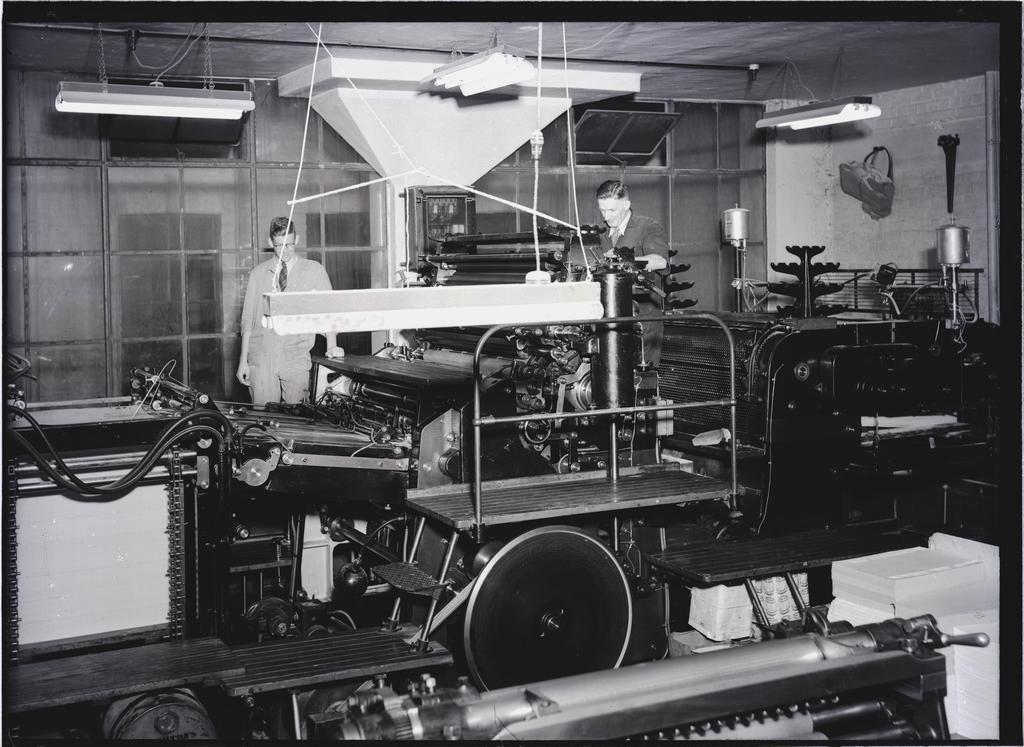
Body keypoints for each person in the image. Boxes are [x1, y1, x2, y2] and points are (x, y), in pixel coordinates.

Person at [237, 217, 343, 405]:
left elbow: (329, 311)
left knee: (298, 418)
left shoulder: (314, 271)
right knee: (264, 422)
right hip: (261, 358)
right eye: (279, 246)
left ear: (297, 240)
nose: (285, 251)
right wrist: (243, 361)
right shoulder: (258, 274)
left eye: (290, 245)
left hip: (296, 356)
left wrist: (331, 347)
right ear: (270, 243)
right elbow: (247, 320)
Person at [595, 179, 671, 366]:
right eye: (602, 210)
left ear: (626, 204)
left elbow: (660, 261)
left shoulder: (647, 226)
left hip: (642, 321)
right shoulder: (601, 234)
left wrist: (623, 260)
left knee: (642, 380)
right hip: (610, 319)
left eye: (612, 210)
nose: (606, 216)